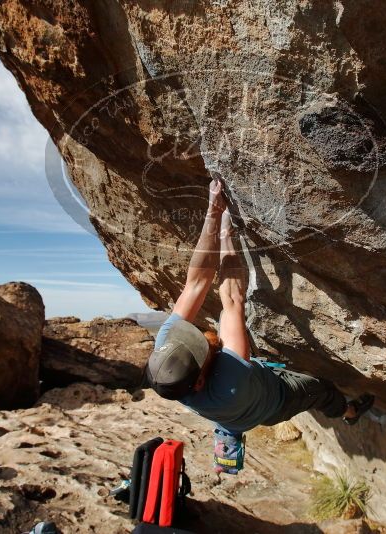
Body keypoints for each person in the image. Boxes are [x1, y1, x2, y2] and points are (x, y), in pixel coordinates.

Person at [145, 178, 374, 467]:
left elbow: (196, 283)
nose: (195, 338)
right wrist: (227, 233)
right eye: (198, 348)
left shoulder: (167, 357)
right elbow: (232, 298)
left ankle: (230, 430)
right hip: (274, 402)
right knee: (322, 389)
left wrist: (213, 212)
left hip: (233, 404)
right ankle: (348, 413)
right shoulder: (230, 378)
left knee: (233, 410)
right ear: (201, 380)